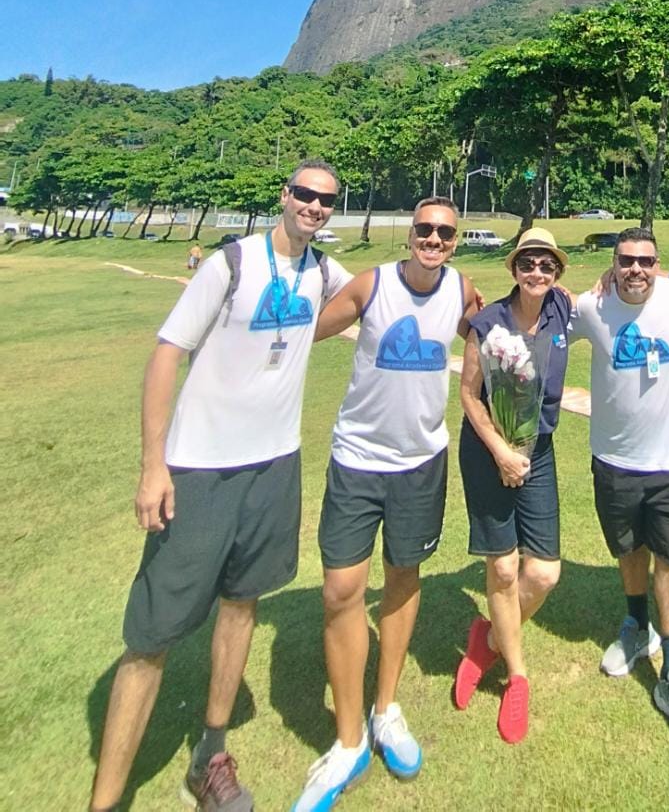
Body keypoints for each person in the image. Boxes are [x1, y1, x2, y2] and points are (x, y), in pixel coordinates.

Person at [90, 161, 349, 812]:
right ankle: (105, 799)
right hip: (200, 469)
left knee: (242, 602)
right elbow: (165, 356)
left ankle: (211, 753)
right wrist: (154, 467)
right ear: (284, 197)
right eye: (306, 195)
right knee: (152, 636)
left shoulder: (321, 272)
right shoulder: (230, 264)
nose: (316, 207)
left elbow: (375, 295)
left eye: (327, 200)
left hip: (274, 466)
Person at [290, 197, 478, 811]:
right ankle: (348, 742)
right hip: (356, 461)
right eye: (424, 229)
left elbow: (499, 329)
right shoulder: (372, 286)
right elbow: (305, 330)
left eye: (444, 233)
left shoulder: (460, 290)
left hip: (421, 464)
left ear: (454, 241)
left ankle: (385, 708)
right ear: (410, 234)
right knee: (341, 590)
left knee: (403, 577)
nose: (433, 239)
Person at [572, 227, 669, 749]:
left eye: (646, 261)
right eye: (626, 261)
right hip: (614, 460)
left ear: (658, 264)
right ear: (613, 263)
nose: (636, 270)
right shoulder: (591, 306)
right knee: (628, 549)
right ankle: (635, 626)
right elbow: (542, 313)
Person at [453, 227, 572, 745]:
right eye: (528, 263)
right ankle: (517, 676)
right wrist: (501, 452)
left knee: (542, 573)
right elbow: (469, 393)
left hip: (538, 452)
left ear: (557, 273)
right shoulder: (488, 321)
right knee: (503, 567)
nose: (537, 273)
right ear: (514, 268)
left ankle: (491, 640)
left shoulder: (561, 311)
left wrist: (630, 271)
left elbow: (615, 286)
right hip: (487, 452)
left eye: (546, 265)